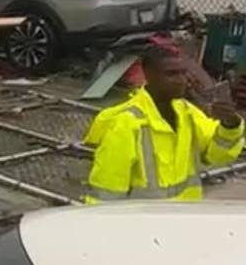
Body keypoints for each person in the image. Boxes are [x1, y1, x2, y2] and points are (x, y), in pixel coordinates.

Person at [83, 46, 244, 203]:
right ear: (149, 76)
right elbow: (107, 194)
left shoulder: (187, 112)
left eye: (183, 73)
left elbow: (215, 156)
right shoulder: (126, 123)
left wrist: (230, 125)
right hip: (144, 224)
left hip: (183, 218)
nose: (182, 81)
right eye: (171, 74)